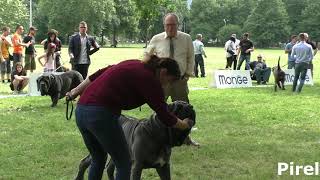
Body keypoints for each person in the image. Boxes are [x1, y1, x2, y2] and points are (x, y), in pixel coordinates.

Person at [66, 55, 192, 180]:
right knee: (124, 163)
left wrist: (75, 91)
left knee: (98, 158)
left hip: (81, 110)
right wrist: (185, 125)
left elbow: (98, 74)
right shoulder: (150, 80)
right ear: (163, 72)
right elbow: (165, 115)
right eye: (169, 81)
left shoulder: (135, 64)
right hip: (101, 114)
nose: (167, 85)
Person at [145, 13, 198, 146]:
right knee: (158, 108)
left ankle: (186, 138)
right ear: (164, 25)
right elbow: (147, 56)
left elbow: (191, 58)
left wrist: (187, 75)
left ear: (177, 25)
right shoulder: (156, 39)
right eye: (168, 25)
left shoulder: (186, 38)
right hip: (161, 82)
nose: (170, 28)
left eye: (173, 25)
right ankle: (155, 137)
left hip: (180, 80)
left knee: (184, 110)